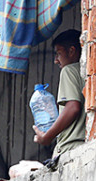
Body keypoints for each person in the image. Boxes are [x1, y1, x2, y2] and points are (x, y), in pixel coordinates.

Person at [32, 29, 87, 157]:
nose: (56, 60)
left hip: (70, 147)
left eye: (58, 53)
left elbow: (73, 107)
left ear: (72, 51)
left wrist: (47, 136)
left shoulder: (69, 71)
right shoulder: (89, 71)